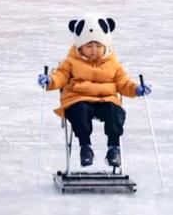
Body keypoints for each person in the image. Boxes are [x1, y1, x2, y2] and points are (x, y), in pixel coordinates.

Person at [37, 14, 152, 168]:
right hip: (78, 100)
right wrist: (50, 81)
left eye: (98, 46)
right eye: (89, 46)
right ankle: (86, 147)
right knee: (80, 111)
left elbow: (124, 83)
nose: (93, 51)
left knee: (115, 112)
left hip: (106, 101)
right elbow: (61, 76)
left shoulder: (113, 64)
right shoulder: (71, 62)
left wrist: (137, 89)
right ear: (80, 46)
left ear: (106, 46)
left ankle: (113, 148)